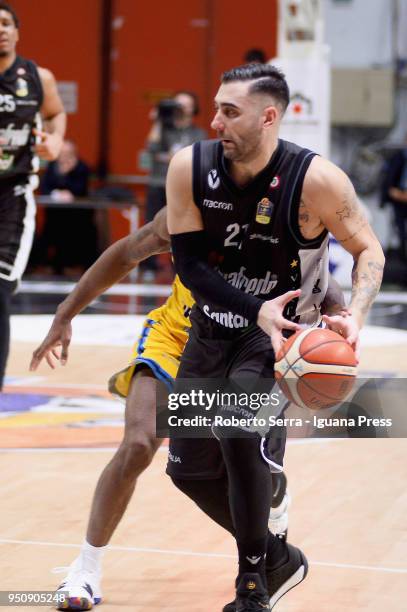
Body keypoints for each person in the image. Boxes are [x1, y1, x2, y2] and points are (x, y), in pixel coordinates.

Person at [30, 205, 346, 611]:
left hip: (244, 349)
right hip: (175, 338)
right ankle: (85, 568)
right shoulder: (187, 210)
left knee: (244, 462)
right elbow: (126, 252)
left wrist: (342, 323)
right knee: (140, 444)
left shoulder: (275, 220)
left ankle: (270, 523)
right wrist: (66, 311)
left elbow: (328, 289)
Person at [167, 63, 384, 611]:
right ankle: (279, 555)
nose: (214, 120)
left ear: (269, 117)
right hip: (213, 329)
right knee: (188, 472)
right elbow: (191, 268)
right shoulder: (189, 168)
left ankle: (252, 584)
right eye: (216, 107)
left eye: (229, 111)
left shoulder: (317, 180)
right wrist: (251, 308)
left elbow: (368, 251)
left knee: (240, 434)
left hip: (279, 339)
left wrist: (354, 314)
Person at [0, 2, 66, 390]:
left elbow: (56, 114)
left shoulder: (39, 77)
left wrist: (55, 139)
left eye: (6, 24)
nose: (1, 30)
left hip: (13, 192)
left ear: (18, 32)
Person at [140, 91, 206, 277]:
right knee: (152, 224)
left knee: (182, 227)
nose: (182, 108)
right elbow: (151, 149)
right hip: (158, 182)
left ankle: (181, 266)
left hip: (183, 186)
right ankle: (149, 266)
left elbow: (196, 156)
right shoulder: (163, 129)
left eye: (186, 105)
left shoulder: (197, 132)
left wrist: (171, 157)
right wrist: (158, 120)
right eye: (178, 104)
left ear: (193, 109)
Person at [33, 139, 96, 275]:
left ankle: (73, 265)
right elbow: (44, 188)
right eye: (62, 153)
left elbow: (81, 189)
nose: (64, 157)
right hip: (55, 215)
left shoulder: (81, 167)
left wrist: (67, 180)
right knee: (48, 233)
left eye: (68, 153)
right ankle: (47, 265)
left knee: (77, 235)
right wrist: (57, 191)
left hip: (77, 217)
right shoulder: (52, 167)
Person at [380, 137, 407, 260]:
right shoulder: (398, 158)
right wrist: (392, 193)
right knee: (400, 231)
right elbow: (388, 181)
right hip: (399, 201)